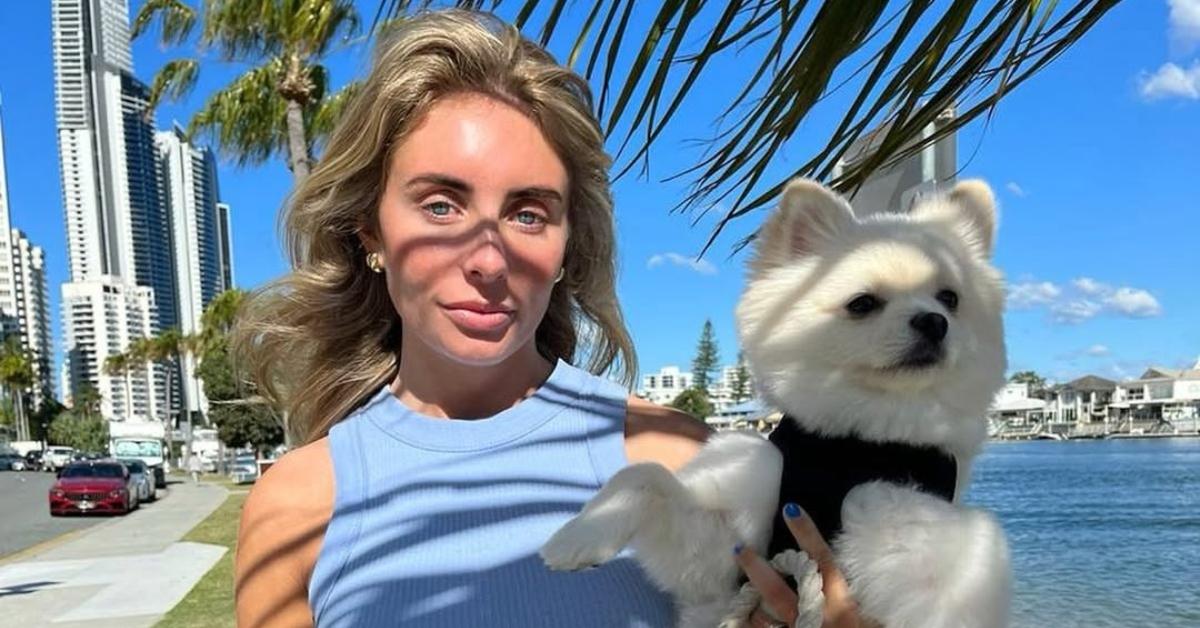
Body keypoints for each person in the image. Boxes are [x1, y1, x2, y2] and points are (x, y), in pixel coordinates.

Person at [232, 9, 866, 628]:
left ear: (566, 246)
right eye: (441, 205)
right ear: (371, 229)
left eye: (528, 213)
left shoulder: (681, 462)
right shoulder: (295, 506)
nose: (487, 258)